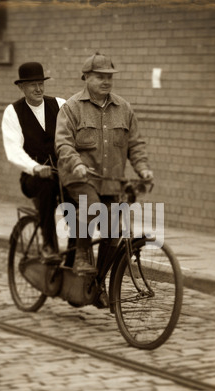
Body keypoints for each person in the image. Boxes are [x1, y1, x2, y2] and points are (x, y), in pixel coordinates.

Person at [55, 52, 153, 307]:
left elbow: (136, 145)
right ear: (86, 77)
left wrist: (143, 169)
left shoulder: (124, 108)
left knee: (112, 233)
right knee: (92, 207)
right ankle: (82, 256)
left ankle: (97, 284)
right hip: (80, 178)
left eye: (109, 77)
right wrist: (76, 164)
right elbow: (63, 144)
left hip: (111, 181)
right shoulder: (71, 107)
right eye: (100, 77)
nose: (106, 81)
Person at [1, 62, 66, 260]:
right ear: (21, 87)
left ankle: (77, 252)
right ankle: (49, 245)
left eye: (40, 83)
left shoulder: (61, 105)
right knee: (46, 188)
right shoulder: (13, 112)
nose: (38, 89)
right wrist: (35, 167)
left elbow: (74, 137)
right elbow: (13, 149)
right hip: (33, 177)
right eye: (32, 85)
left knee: (79, 198)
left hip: (62, 172)